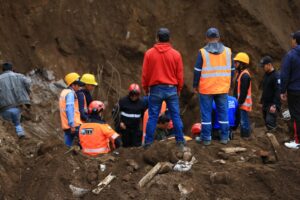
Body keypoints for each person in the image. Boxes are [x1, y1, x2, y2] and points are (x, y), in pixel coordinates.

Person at [142, 28, 185, 149]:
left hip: (155, 89)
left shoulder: (149, 54)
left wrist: (146, 88)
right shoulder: (176, 54)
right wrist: (179, 89)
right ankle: (180, 141)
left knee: (153, 117)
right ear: (169, 39)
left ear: (157, 38)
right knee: (175, 116)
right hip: (171, 89)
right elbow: (180, 75)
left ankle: (148, 143)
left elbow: (145, 74)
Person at [193, 27, 234, 145]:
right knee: (223, 112)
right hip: (222, 87)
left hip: (206, 88)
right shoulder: (228, 51)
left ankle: (206, 138)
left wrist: (195, 85)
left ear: (207, 39)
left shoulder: (203, 52)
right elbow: (232, 70)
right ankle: (224, 137)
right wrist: (230, 84)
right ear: (219, 38)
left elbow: (197, 70)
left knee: (206, 113)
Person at [0, 62, 31, 139]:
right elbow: (28, 82)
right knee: (17, 122)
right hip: (17, 106)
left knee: (7, 126)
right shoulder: (19, 76)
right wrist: (26, 91)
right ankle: (21, 134)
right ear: (12, 69)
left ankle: (10, 139)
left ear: (2, 70)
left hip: (4, 108)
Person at [281, 31, 300, 149]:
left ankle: (297, 141)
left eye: (292, 39)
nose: (291, 41)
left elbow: (285, 75)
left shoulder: (291, 55)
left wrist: (282, 91)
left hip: (295, 90)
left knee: (296, 115)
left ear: (295, 40)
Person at [59, 72, 84, 147]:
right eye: (78, 85)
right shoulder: (70, 94)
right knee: (90, 132)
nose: (79, 87)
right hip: (74, 125)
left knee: (67, 146)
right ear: (73, 84)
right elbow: (69, 109)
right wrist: (72, 124)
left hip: (66, 125)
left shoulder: (64, 92)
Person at [233, 52, 252, 139]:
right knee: (240, 119)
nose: (235, 64)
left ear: (242, 64)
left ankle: (246, 136)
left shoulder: (245, 76)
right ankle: (243, 134)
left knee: (244, 121)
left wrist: (239, 102)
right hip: (240, 102)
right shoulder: (240, 74)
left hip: (243, 103)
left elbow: (244, 92)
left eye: (236, 62)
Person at [259, 56, 281, 131]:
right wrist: (261, 101)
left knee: (270, 122)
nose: (263, 68)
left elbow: (278, 91)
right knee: (266, 122)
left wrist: (274, 105)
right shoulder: (266, 75)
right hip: (265, 103)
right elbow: (265, 89)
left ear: (269, 64)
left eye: (264, 66)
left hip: (272, 104)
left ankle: (274, 138)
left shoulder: (276, 76)